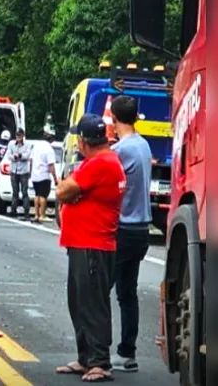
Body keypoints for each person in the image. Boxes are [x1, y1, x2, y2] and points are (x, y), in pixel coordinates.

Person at [54, 113, 126, 383]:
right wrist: (74, 193)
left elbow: (63, 191)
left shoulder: (98, 164)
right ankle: (86, 358)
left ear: (84, 142)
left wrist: (71, 192)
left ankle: (99, 361)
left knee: (92, 304)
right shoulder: (106, 161)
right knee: (80, 301)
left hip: (91, 244)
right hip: (85, 243)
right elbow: (71, 192)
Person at [108, 95, 153, 372]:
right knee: (128, 293)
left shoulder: (120, 150)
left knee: (100, 291)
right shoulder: (144, 145)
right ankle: (127, 352)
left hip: (123, 229)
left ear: (113, 119)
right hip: (142, 229)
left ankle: (97, 352)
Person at [29, 129, 59, 223]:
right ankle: (42, 215)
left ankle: (36, 214)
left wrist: (31, 172)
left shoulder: (36, 146)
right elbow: (51, 165)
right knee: (43, 196)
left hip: (35, 175)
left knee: (37, 194)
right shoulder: (49, 149)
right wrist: (55, 177)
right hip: (43, 175)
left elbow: (31, 160)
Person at [6, 128, 32, 217]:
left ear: (23, 136)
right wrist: (15, 157)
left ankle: (26, 211)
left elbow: (27, 156)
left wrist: (20, 156)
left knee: (24, 192)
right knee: (15, 191)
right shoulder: (11, 144)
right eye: (17, 135)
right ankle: (13, 209)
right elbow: (9, 155)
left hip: (23, 171)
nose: (18, 137)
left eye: (20, 135)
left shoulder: (27, 145)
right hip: (14, 170)